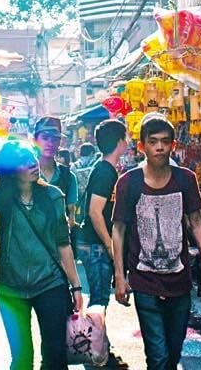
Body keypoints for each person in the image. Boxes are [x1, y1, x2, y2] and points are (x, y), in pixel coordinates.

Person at [113, 113, 201, 370]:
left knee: (172, 352)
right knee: (157, 356)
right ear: (142, 146)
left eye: (165, 141)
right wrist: (119, 275)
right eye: (153, 141)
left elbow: (196, 222)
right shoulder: (129, 182)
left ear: (173, 144)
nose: (160, 147)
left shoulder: (185, 179)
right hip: (144, 279)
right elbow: (118, 229)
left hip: (179, 280)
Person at [0, 139, 84, 370]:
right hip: (11, 289)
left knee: (55, 356)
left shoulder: (53, 196)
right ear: (13, 172)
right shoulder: (3, 199)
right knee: (21, 358)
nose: (33, 164)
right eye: (24, 163)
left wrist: (76, 286)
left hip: (50, 284)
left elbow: (63, 244)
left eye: (32, 159)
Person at [77, 119, 127, 309]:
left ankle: (100, 338)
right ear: (120, 142)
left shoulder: (105, 169)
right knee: (99, 300)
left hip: (94, 243)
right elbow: (95, 212)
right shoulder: (104, 172)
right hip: (95, 244)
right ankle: (93, 338)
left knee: (100, 298)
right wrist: (109, 245)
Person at [33, 117, 79, 228]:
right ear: (35, 140)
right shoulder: (25, 174)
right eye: (45, 138)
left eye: (54, 139)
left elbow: (71, 214)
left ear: (60, 142)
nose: (50, 143)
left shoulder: (68, 176)